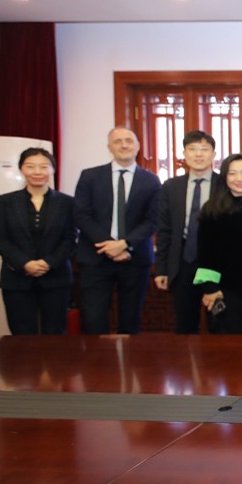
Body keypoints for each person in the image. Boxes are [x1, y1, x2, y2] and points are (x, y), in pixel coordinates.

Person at [73, 126, 162, 334]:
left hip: (134, 258)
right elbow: (81, 215)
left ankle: (128, 357)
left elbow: (153, 219)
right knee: (93, 321)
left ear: (138, 146)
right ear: (109, 147)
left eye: (129, 141)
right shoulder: (90, 176)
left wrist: (125, 244)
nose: (124, 145)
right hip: (95, 258)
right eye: (117, 141)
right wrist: (110, 246)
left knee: (130, 322)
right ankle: (99, 358)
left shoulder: (151, 180)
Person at [0, 148, 76, 335]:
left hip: (56, 277)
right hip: (16, 278)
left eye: (44, 167)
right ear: (21, 169)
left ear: (53, 169)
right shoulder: (6, 202)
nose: (37, 172)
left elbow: (70, 239)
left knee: (56, 333)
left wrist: (49, 262)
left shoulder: (67, 202)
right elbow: (0, 240)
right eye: (30, 166)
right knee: (21, 333)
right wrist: (25, 263)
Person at [154, 130, 219, 334]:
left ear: (213, 154)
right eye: (192, 149)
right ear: (184, 154)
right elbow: (164, 230)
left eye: (204, 149)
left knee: (218, 322)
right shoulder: (171, 186)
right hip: (183, 262)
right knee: (185, 326)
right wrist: (161, 268)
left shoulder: (224, 184)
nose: (198, 154)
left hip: (216, 265)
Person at [194, 154, 242, 334]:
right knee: (228, 342)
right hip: (225, 290)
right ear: (225, 177)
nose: (239, 179)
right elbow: (205, 254)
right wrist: (210, 288)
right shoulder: (212, 209)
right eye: (233, 174)